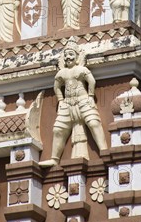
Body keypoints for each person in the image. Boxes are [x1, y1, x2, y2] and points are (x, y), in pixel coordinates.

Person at [39, 38, 107, 167]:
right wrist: (60, 100)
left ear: (77, 57)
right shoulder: (62, 72)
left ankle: (104, 151)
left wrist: (91, 96)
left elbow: (91, 81)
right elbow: (56, 87)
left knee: (93, 123)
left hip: (83, 101)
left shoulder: (81, 69)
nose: (68, 58)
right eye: (66, 55)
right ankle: (55, 158)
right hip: (67, 104)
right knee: (58, 130)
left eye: (71, 55)